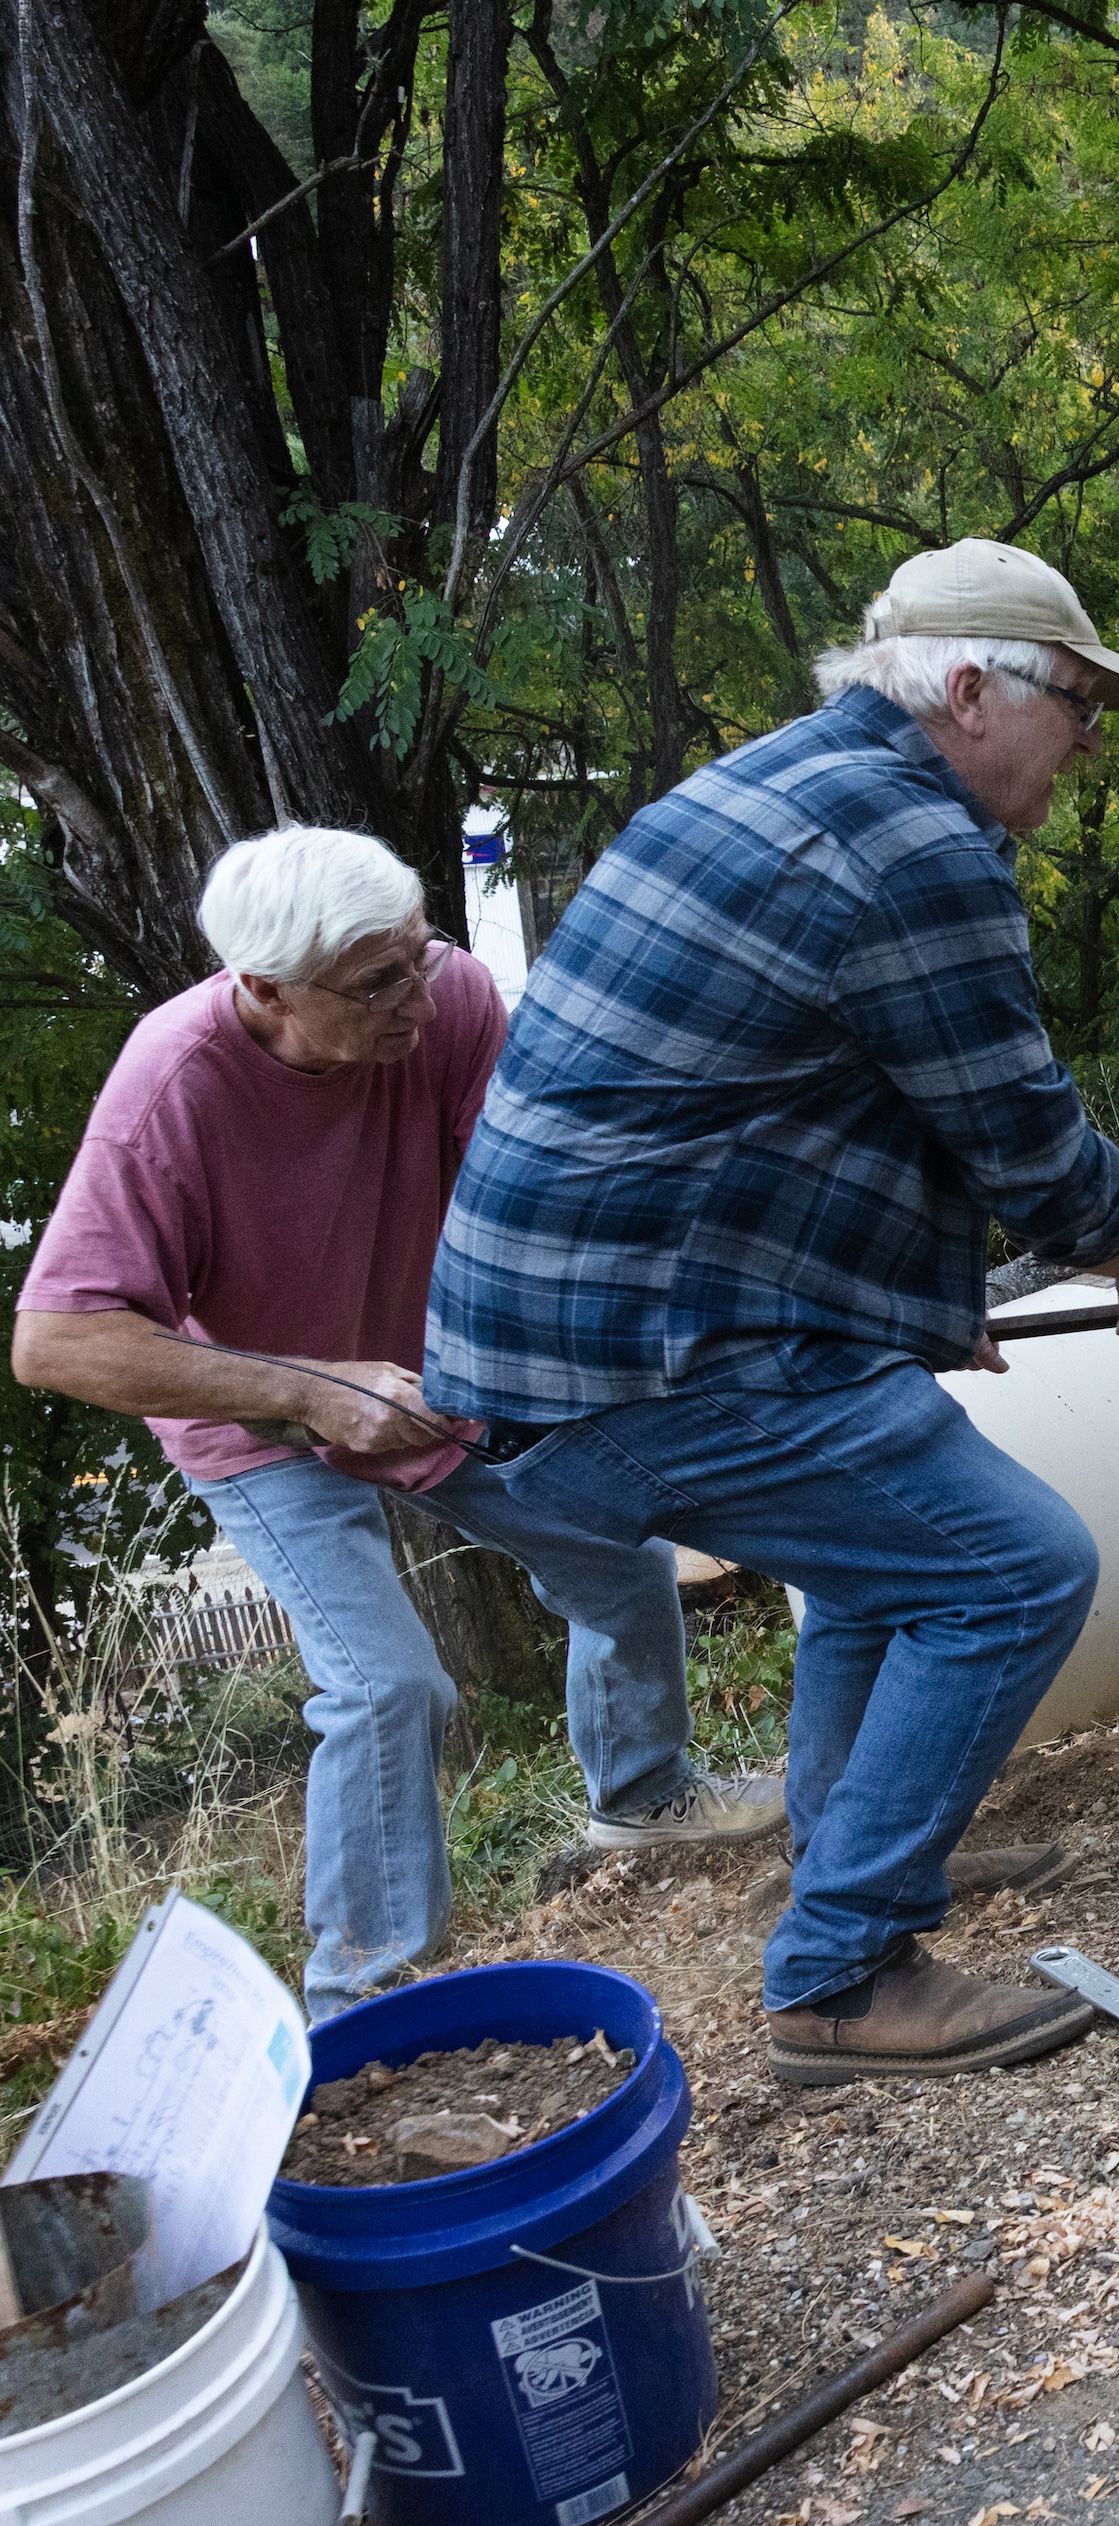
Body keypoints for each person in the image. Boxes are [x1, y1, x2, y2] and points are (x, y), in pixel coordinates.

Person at [424, 540, 1119, 2087]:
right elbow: (1019, 1139)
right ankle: (843, 1973)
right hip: (633, 1364)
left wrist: (907, 1314)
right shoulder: (911, 840)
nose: (1090, 741)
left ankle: (857, 1837)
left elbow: (795, 1112)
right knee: (1013, 1569)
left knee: (883, 1545)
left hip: (553, 1339)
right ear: (971, 690)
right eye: (1078, 704)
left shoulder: (766, 789)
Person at [13, 829, 774, 2014]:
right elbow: (56, 1340)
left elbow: (529, 1193)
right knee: (387, 1687)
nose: (418, 996)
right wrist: (308, 1389)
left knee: (617, 1553)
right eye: (377, 983)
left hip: (431, 1378)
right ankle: (366, 2001)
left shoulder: (449, 996)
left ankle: (643, 1795)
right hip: (261, 1420)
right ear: (265, 988)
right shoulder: (171, 1089)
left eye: (420, 954)